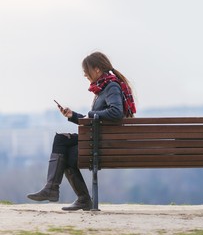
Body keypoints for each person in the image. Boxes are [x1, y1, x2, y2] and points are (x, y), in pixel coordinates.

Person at [27, 51, 136, 211]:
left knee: (68, 153)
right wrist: (73, 116)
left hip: (103, 141)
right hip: (99, 137)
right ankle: (54, 189)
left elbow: (116, 112)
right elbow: (95, 120)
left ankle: (74, 196)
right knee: (61, 140)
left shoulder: (111, 87)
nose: (85, 74)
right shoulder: (103, 88)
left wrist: (91, 114)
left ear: (97, 69)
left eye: (87, 71)